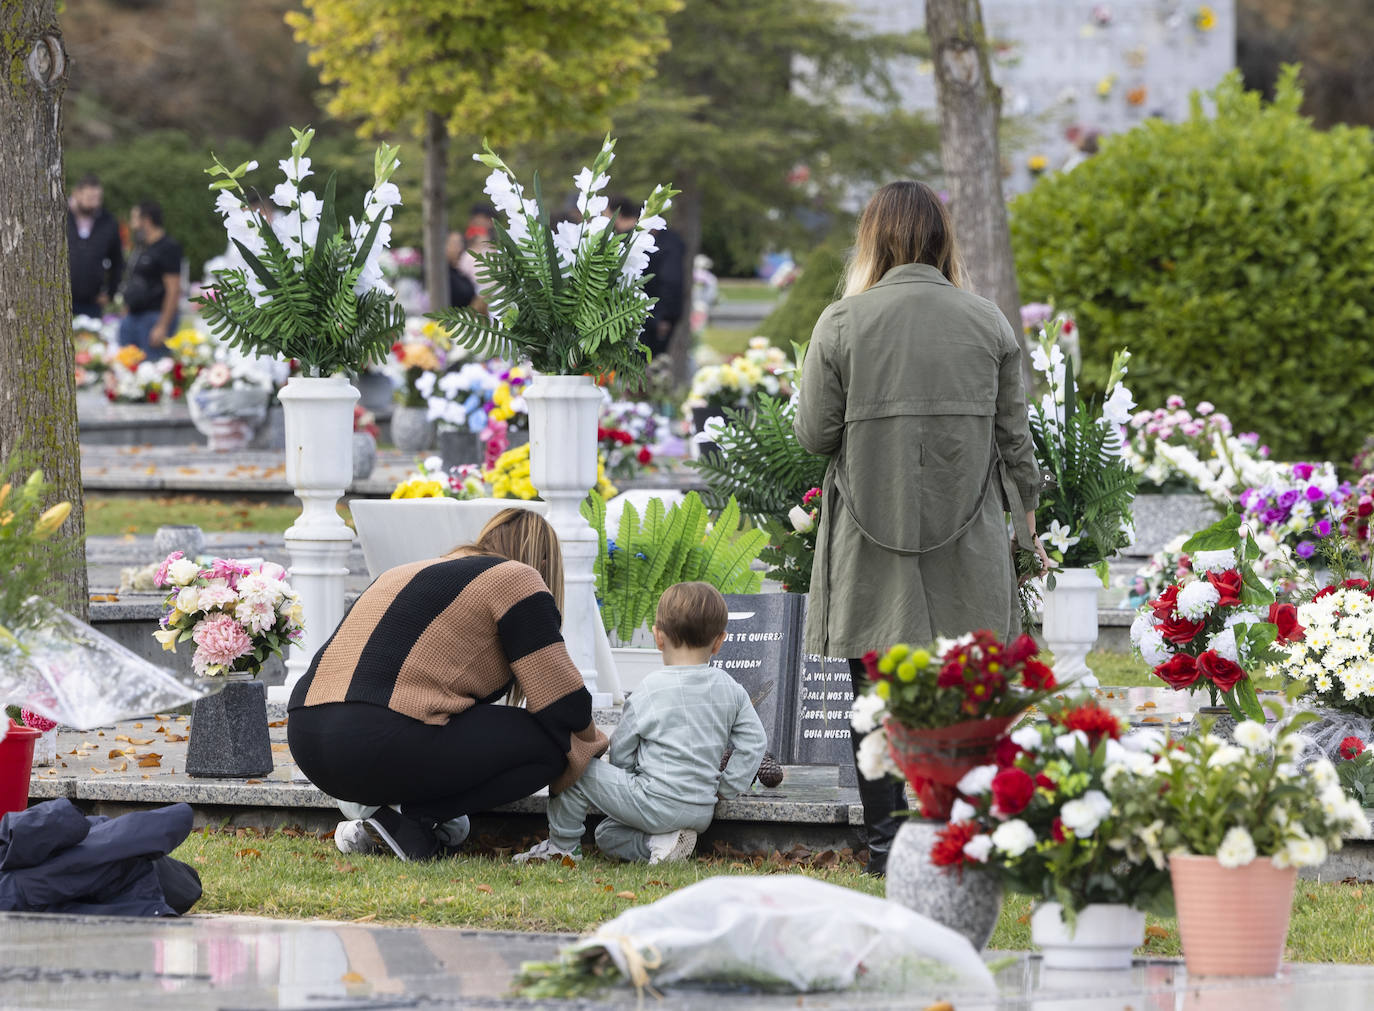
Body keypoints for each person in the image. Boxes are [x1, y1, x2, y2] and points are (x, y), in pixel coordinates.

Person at [794, 180, 1049, 876]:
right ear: (943, 238)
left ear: (873, 239)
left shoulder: (842, 322)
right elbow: (1016, 442)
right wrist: (1029, 526)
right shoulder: (989, 322)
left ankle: (883, 849)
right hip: (967, 537)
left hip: (868, 537)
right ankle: (958, 837)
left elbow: (814, 435)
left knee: (873, 694)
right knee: (965, 691)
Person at [287, 508, 608, 861]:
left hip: (307, 739)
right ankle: (409, 817)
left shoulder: (402, 572)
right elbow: (563, 703)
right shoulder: (516, 576)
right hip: (379, 737)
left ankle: (393, 820)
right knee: (554, 745)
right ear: (544, 559)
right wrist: (597, 742)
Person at [514, 582, 767, 865]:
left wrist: (625, 781)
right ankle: (662, 844)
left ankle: (561, 848)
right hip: (701, 810)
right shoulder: (731, 689)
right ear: (719, 641)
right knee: (607, 834)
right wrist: (727, 787)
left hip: (652, 801)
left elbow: (622, 746)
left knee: (576, 764)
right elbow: (755, 742)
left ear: (658, 638)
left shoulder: (650, 689)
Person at [609, 195, 686, 358]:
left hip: (651, 316)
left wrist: (662, 317)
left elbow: (671, 280)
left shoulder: (660, 242)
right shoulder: (669, 240)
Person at [118, 201, 182, 360]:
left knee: (150, 368)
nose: (132, 225)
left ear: (146, 220)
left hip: (154, 318)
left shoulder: (168, 248)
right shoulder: (141, 247)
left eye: (134, 219)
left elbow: (173, 289)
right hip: (133, 317)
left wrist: (162, 326)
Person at [67, 174, 123, 319]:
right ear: (76, 194)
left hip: (92, 302)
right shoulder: (60, 217)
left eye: (98, 199)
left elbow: (117, 261)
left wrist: (110, 293)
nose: (95, 203)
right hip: (62, 299)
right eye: (90, 198)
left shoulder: (108, 222)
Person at [445, 230, 478, 310]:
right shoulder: (443, 275)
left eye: (460, 243)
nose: (459, 248)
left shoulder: (459, 272)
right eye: (454, 244)